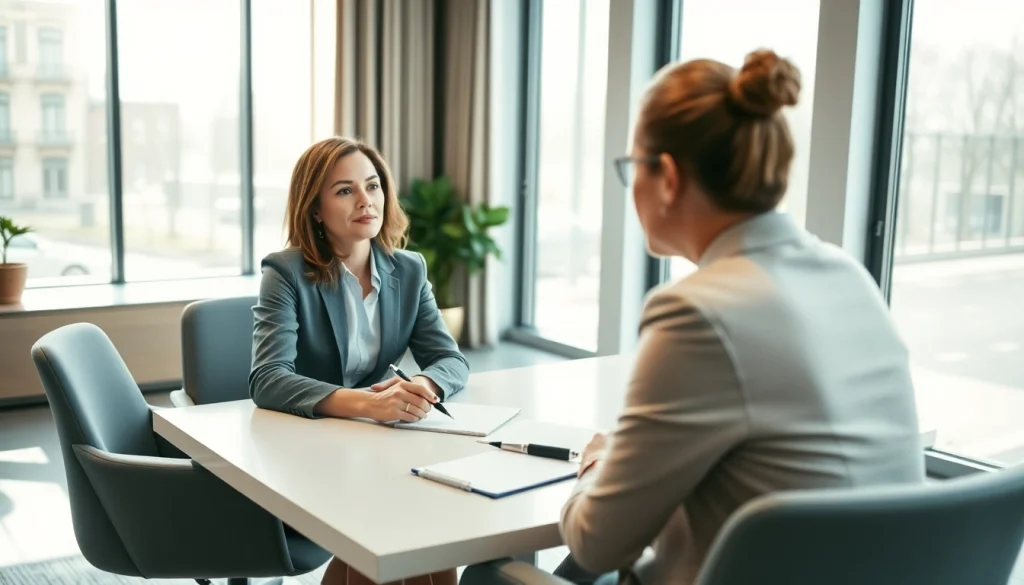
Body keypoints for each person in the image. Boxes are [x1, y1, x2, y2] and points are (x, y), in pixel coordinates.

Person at [460, 49, 925, 585]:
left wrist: (599, 464)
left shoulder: (697, 313)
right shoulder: (848, 277)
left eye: (632, 166)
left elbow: (597, 541)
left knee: (490, 576)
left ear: (668, 177)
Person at [249, 136, 469, 585]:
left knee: (428, 522)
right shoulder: (286, 272)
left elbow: (450, 359)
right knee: (402, 522)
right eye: (345, 190)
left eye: (372, 186)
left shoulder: (409, 270)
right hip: (305, 452)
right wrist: (366, 404)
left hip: (374, 450)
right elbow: (268, 379)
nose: (365, 201)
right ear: (315, 209)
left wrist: (424, 386)